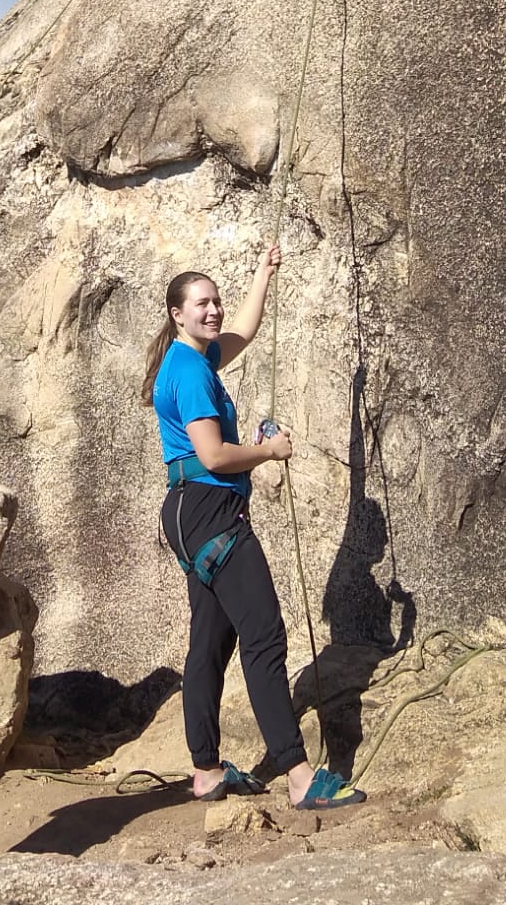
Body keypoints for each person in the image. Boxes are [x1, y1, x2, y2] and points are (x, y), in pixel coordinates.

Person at [144, 246, 361, 810]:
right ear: (177, 314)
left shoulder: (191, 359)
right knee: (264, 636)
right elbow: (214, 456)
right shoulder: (190, 372)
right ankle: (298, 776)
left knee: (210, 642)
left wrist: (262, 275)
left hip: (190, 514)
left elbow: (242, 330)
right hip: (212, 509)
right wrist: (268, 451)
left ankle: (206, 771)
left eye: (215, 301)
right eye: (202, 304)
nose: (213, 311)